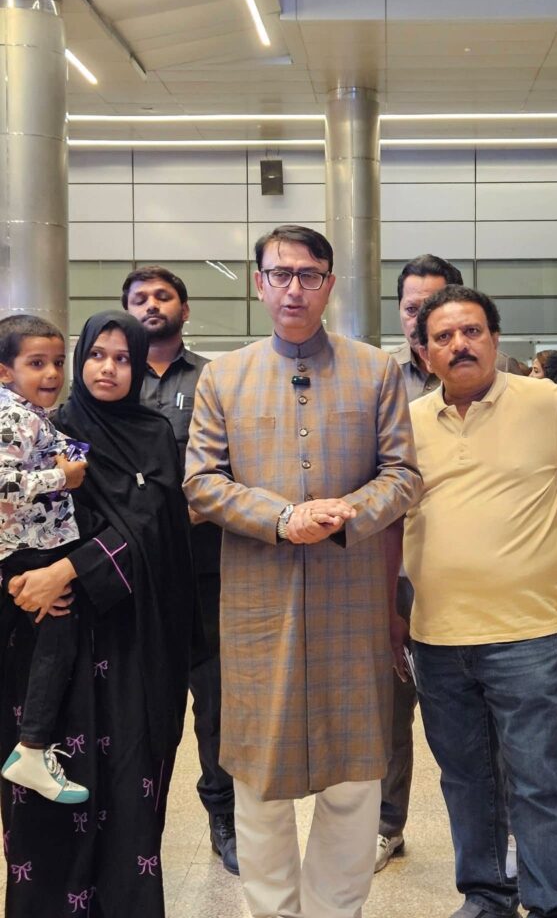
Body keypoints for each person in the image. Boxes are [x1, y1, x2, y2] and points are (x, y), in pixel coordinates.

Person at [183, 225, 421, 918]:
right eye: (280, 274)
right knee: (258, 778)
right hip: (259, 604)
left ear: (329, 283)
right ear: (259, 282)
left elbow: (404, 475)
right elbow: (201, 482)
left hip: (351, 600)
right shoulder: (223, 377)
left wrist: (347, 511)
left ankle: (334, 911)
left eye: (309, 274)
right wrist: (281, 519)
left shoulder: (374, 371)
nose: (294, 287)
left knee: (354, 780)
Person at [401, 285, 557, 918]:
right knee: (466, 779)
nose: (459, 344)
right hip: (435, 635)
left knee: (540, 781)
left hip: (526, 633)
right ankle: (487, 895)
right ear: (424, 351)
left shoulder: (545, 402)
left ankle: (553, 907)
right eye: (443, 336)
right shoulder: (407, 424)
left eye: (471, 332)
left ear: (494, 339)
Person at [0, 311, 193, 918]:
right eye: (97, 356)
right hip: (48, 639)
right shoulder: (50, 431)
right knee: (44, 800)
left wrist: (68, 570)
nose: (107, 368)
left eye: (124, 358)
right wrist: (22, 581)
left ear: (139, 367)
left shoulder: (154, 434)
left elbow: (149, 531)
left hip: (134, 637)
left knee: (131, 792)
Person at [377, 254, 519, 874]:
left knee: (493, 734)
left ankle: (505, 838)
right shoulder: (382, 385)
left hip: (489, 597)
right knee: (391, 717)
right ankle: (387, 824)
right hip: (402, 581)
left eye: (437, 307)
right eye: (413, 309)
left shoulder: (507, 386)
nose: (426, 321)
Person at [121, 265, 237, 876]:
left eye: (162, 296)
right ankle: (136, 823)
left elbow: (232, 465)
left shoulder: (216, 379)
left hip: (208, 568)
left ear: (184, 309)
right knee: (138, 706)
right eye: (139, 298)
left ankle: (223, 814)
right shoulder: (111, 378)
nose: (151, 306)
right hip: (133, 576)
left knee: (216, 703)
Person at [0, 315, 89, 803]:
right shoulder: (10, 416)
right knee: (57, 640)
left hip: (33, 549)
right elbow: (3, 487)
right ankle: (32, 747)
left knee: (57, 641)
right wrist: (64, 479)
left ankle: (33, 746)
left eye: (57, 362)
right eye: (36, 363)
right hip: (24, 553)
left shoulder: (33, 414)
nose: (52, 373)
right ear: (4, 371)